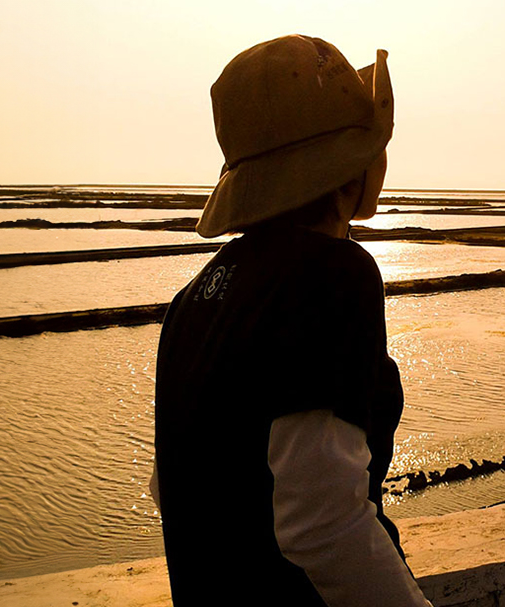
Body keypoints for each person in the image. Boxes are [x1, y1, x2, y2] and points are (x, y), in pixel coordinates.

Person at [150, 35, 432, 606]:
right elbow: (323, 524)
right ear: (351, 169)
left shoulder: (197, 294)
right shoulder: (332, 274)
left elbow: (170, 485)